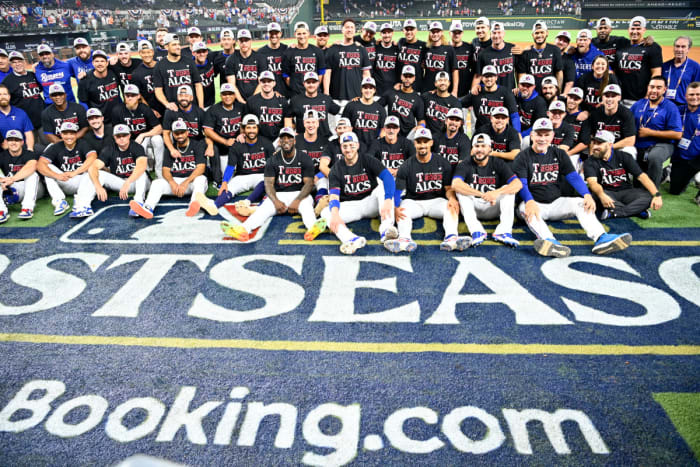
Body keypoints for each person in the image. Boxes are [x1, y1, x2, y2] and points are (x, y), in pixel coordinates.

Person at [513, 117, 632, 257]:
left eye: (546, 135)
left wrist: (586, 195)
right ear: (532, 135)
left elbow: (573, 176)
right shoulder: (522, 157)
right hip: (534, 204)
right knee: (526, 210)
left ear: (552, 136)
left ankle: (601, 238)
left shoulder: (559, 153)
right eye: (539, 134)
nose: (542, 139)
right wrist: (529, 201)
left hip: (556, 202)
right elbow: (521, 184)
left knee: (581, 203)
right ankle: (550, 241)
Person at [221, 127, 328, 242]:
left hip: (300, 193)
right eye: (283, 138)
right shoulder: (272, 160)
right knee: (263, 210)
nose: (286, 141)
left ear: (295, 141)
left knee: (307, 208)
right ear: (279, 142)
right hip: (279, 194)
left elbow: (309, 184)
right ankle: (243, 230)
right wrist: (276, 201)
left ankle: (312, 229)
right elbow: (268, 184)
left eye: (289, 138)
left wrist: (297, 201)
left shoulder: (304, 158)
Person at [385, 126, 467, 253]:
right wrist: (395, 208)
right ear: (414, 144)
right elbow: (398, 191)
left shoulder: (442, 162)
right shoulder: (406, 165)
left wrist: (452, 198)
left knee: (451, 207)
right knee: (402, 211)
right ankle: (404, 239)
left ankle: (451, 238)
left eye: (425, 141)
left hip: (436, 201)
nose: (422, 145)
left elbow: (448, 188)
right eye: (419, 142)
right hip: (414, 202)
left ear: (431, 143)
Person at [320, 131, 397, 254]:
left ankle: (386, 229)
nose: (348, 149)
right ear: (341, 148)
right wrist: (334, 214)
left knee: (383, 187)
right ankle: (351, 239)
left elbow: (388, 177)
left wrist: (388, 199)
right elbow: (334, 195)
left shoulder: (367, 159)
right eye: (345, 146)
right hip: (352, 206)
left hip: (371, 202)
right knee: (326, 213)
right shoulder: (336, 168)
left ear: (357, 145)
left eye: (351, 145)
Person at [192, 114, 275, 216]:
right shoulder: (236, 145)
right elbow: (231, 166)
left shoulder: (266, 143)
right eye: (248, 128)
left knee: (269, 183)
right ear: (243, 129)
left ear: (258, 128)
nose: (251, 130)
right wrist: (225, 182)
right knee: (229, 187)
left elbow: (272, 165)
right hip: (242, 176)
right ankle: (214, 205)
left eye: (254, 127)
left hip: (261, 176)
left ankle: (251, 206)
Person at [452, 132, 522, 247]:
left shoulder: (498, 163)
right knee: (461, 190)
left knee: (508, 189)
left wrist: (496, 193)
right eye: (476, 146)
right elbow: (455, 184)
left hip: (493, 206)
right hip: (474, 206)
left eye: (483, 146)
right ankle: (476, 231)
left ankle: (504, 232)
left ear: (490, 149)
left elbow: (518, 184)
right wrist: (482, 194)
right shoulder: (465, 163)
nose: (480, 149)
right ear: (472, 149)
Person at [129, 119, 207, 219]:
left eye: (182, 132)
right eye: (176, 133)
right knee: (157, 183)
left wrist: (186, 182)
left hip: (191, 183)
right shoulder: (170, 149)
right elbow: (165, 170)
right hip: (175, 184)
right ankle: (148, 208)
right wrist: (172, 182)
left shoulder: (197, 145)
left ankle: (194, 204)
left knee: (201, 179)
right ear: (173, 134)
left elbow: (201, 168)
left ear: (187, 132)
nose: (180, 136)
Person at [71, 124, 150, 218]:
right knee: (95, 173)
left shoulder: (137, 147)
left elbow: (142, 166)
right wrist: (98, 186)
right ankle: (84, 206)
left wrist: (128, 181)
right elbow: (93, 167)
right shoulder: (109, 149)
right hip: (120, 181)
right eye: (118, 136)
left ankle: (138, 203)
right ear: (114, 137)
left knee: (141, 173)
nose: (121, 138)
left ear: (129, 135)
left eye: (124, 135)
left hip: (137, 182)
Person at [584, 129, 662, 219]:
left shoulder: (624, 156)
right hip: (607, 192)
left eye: (599, 143)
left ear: (610, 145)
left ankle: (615, 213)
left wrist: (657, 195)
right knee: (596, 196)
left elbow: (642, 176)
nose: (594, 147)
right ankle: (637, 210)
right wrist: (602, 195)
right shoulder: (589, 162)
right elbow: (593, 183)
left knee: (648, 197)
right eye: (594, 143)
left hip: (626, 192)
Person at [630, 76, 683, 186]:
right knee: (637, 184)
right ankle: (663, 172)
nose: (654, 90)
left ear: (664, 90)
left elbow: (677, 134)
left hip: (661, 145)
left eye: (658, 88)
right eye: (652, 87)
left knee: (654, 157)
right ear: (648, 87)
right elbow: (625, 119)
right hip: (639, 145)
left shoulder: (670, 107)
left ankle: (652, 193)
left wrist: (651, 132)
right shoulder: (638, 104)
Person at [36, 121, 97, 215]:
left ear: (76, 134)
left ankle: (81, 200)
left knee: (91, 167)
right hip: (65, 180)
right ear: (61, 134)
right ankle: (60, 201)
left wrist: (75, 172)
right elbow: (40, 164)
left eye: (71, 133)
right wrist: (56, 175)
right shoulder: (55, 146)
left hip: (82, 181)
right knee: (47, 169)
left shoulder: (83, 143)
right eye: (65, 133)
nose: (69, 136)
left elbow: (93, 157)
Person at [162, 85, 215, 182]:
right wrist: (171, 149)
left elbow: (207, 132)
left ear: (191, 97)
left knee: (213, 148)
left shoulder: (199, 112)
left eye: (186, 95)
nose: (183, 98)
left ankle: (216, 178)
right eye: (180, 95)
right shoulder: (170, 112)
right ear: (177, 97)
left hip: (198, 143)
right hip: (180, 143)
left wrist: (210, 145)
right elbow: (165, 134)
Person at [111, 84, 164, 177]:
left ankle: (159, 172)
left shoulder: (144, 108)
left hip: (145, 138)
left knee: (158, 140)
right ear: (124, 96)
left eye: (133, 95)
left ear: (138, 96)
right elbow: (117, 134)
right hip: (128, 141)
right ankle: (145, 172)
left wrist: (143, 135)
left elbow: (159, 128)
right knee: (141, 147)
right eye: (127, 95)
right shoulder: (117, 110)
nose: (130, 98)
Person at [613, 16, 663, 107]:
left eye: (638, 29)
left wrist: (649, 94)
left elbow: (656, 73)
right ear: (628, 30)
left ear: (644, 30)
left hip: (641, 99)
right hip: (621, 98)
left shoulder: (652, 47)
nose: (635, 31)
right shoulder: (621, 45)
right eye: (632, 28)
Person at [324, 18, 372, 111]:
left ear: (355, 30)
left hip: (357, 96)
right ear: (342, 30)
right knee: (340, 125)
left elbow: (366, 73)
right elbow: (327, 73)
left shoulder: (361, 49)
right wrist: (326, 92)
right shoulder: (333, 49)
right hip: (338, 96)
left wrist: (367, 91)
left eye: (351, 27)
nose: (349, 29)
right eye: (347, 27)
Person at [461, 65, 520, 133]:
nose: (489, 79)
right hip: (481, 133)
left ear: (496, 77)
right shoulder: (477, 92)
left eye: (491, 76)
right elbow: (458, 103)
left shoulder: (506, 93)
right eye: (486, 76)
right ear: (482, 78)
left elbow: (514, 115)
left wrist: (517, 132)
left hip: (500, 133)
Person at [203, 83, 243, 181]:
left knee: (231, 176)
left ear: (234, 95)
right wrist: (225, 141)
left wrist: (242, 134)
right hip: (220, 147)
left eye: (230, 94)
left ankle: (241, 171)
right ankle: (217, 180)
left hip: (234, 145)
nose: (228, 97)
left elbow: (245, 124)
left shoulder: (241, 107)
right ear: (220, 95)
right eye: (225, 94)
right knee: (214, 150)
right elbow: (207, 131)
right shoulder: (213, 110)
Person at [154, 34, 204, 110]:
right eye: (174, 44)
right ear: (166, 47)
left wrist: (200, 106)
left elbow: (198, 85)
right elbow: (158, 90)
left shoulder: (189, 62)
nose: (178, 47)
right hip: (173, 110)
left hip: (191, 108)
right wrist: (167, 104)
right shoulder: (160, 65)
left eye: (178, 44)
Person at [285, 71, 340, 141]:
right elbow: (288, 117)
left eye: (313, 82)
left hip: (324, 139)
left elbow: (339, 111)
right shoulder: (295, 100)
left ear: (318, 83)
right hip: (303, 140)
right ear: (304, 84)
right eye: (308, 82)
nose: (311, 85)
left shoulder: (326, 98)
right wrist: (290, 132)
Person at [0, 130, 41, 221]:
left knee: (32, 175)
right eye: (10, 140)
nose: (13, 143)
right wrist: (2, 180)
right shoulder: (2, 156)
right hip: (13, 185)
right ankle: (1, 211)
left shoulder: (30, 154)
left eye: (17, 140)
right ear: (6, 142)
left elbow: (32, 166)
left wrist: (12, 179)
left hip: (35, 188)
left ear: (22, 142)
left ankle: (27, 208)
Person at [587, 84, 637, 157]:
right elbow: (591, 137)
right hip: (600, 148)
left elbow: (630, 140)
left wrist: (609, 147)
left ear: (619, 98)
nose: (609, 99)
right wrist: (592, 155)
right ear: (602, 97)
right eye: (607, 96)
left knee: (630, 150)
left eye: (613, 96)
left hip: (618, 147)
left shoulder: (626, 113)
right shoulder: (595, 113)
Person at [669, 81, 700, 200]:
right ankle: (669, 170)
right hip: (681, 155)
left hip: (698, 157)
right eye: (691, 95)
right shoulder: (677, 111)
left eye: (698, 94)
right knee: (675, 190)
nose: (695, 97)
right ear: (685, 96)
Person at [2, 52, 44, 132]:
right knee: (31, 144)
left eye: (19, 61)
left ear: (24, 62)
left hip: (41, 119)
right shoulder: (7, 82)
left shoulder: (32, 75)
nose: (17, 64)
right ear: (10, 64)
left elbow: (41, 89)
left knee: (48, 143)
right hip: (25, 123)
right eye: (14, 62)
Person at [77, 50, 121, 127]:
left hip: (118, 117)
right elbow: (83, 102)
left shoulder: (114, 73)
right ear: (93, 63)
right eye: (96, 61)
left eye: (102, 61)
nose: (99, 64)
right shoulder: (85, 80)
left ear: (107, 63)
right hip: (101, 121)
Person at [379, 65, 425, 138]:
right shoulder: (391, 92)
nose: (407, 79)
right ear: (401, 77)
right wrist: (382, 127)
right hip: (392, 130)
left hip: (409, 134)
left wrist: (421, 126)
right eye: (405, 76)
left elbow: (421, 120)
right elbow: (376, 107)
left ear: (414, 78)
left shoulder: (417, 98)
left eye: (410, 76)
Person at [282, 22, 327, 96]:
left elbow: (321, 73)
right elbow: (286, 76)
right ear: (295, 34)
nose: (302, 36)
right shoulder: (288, 53)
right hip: (296, 95)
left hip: (314, 94)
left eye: (304, 33)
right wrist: (295, 89)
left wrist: (313, 88)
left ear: (308, 33)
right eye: (299, 34)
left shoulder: (317, 51)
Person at [518, 21, 563, 93]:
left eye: (542, 32)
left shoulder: (555, 50)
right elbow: (522, 74)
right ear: (533, 35)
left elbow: (559, 72)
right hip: (532, 93)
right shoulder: (526, 53)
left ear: (547, 33)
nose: (539, 35)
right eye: (537, 33)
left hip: (549, 92)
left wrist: (558, 90)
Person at [475, 22, 519, 94]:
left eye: (499, 32)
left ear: (504, 33)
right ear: (490, 34)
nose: (496, 36)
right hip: (491, 95)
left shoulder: (513, 49)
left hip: (510, 93)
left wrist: (519, 87)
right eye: (494, 33)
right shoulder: (483, 54)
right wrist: (476, 86)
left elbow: (519, 70)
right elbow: (478, 75)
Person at [245, 70, 288, 143]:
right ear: (259, 83)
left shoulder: (283, 101)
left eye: (269, 81)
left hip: (279, 141)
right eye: (263, 81)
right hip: (258, 142)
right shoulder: (251, 101)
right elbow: (244, 124)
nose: (266, 84)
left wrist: (284, 137)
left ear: (274, 83)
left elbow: (288, 123)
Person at [342, 76, 385, 147]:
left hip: (372, 147)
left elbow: (383, 130)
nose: (368, 90)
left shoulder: (380, 109)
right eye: (365, 88)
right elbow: (344, 126)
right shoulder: (351, 106)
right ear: (361, 89)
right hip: (354, 146)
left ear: (374, 90)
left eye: (371, 88)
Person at [225, 29, 265, 105]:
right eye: (241, 41)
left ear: (250, 41)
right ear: (238, 42)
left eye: (246, 40)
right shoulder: (231, 59)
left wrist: (252, 100)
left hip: (257, 100)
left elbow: (262, 83)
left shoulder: (260, 58)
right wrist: (241, 101)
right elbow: (232, 84)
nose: (244, 43)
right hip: (238, 102)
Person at [662, 36, 700, 107]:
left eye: (683, 47)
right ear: (673, 48)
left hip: (684, 106)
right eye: (677, 46)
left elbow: (697, 90)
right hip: (665, 106)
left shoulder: (695, 67)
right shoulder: (665, 66)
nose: (679, 49)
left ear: (688, 49)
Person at [421, 21, 457, 94]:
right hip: (427, 89)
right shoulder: (425, 48)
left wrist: (455, 90)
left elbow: (455, 71)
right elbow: (422, 65)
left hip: (444, 89)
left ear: (442, 32)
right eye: (433, 32)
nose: (435, 34)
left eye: (437, 31)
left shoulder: (449, 49)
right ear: (430, 33)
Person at [132, 40, 164, 120]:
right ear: (139, 53)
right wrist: (150, 110)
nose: (147, 55)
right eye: (143, 52)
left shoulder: (162, 66)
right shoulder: (136, 73)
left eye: (149, 52)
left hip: (167, 106)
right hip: (153, 110)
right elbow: (139, 96)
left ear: (153, 52)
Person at [257, 23, 289, 97]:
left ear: (280, 34)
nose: (274, 35)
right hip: (268, 94)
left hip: (286, 93)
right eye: (271, 33)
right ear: (268, 34)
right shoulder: (260, 52)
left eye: (276, 33)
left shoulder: (287, 49)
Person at [516, 74, 547, 149]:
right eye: (523, 85)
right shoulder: (514, 96)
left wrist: (521, 135)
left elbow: (538, 125)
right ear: (518, 85)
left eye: (528, 86)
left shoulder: (539, 102)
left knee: (526, 140)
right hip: (515, 132)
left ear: (534, 87)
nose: (525, 88)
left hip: (529, 134)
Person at [396, 19, 427, 93]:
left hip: (417, 87)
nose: (409, 32)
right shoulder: (401, 42)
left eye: (411, 29)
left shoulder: (423, 46)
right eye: (407, 29)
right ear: (403, 30)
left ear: (416, 30)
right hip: (401, 86)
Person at [0, 85, 35, 151]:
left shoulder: (21, 113)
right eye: (0, 94)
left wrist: (30, 150)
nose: (2, 97)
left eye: (5, 94)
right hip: (2, 152)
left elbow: (28, 134)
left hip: (22, 150)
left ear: (9, 96)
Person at [449, 20, 475, 101]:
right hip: (447, 90)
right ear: (450, 33)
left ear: (462, 33)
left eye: (459, 33)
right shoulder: (445, 48)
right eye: (454, 32)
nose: (456, 35)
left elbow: (474, 70)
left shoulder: (469, 47)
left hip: (465, 91)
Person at [373, 23, 400, 97]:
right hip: (377, 90)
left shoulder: (397, 48)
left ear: (392, 33)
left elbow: (399, 68)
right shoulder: (375, 47)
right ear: (380, 34)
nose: (387, 35)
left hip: (393, 89)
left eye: (389, 32)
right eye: (384, 33)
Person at [192, 41, 217, 109]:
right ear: (193, 53)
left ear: (207, 52)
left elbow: (226, 52)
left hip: (212, 102)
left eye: (204, 51)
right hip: (197, 105)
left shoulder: (211, 58)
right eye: (198, 52)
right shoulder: (190, 67)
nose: (202, 54)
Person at [554, 31, 577, 95]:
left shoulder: (569, 60)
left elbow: (569, 82)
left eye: (565, 41)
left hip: (559, 94)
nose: (561, 42)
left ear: (567, 44)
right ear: (555, 40)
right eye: (559, 39)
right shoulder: (545, 55)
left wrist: (564, 95)